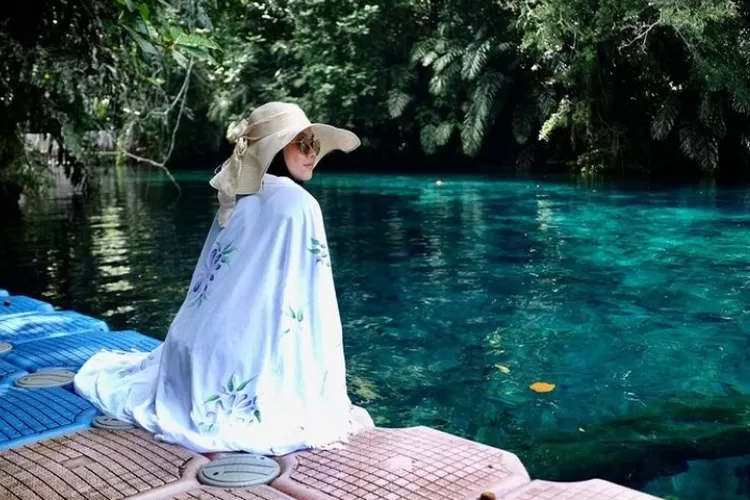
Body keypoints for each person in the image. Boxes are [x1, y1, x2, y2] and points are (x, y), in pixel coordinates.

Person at [74, 101, 373, 455]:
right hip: (245, 357)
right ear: (275, 148)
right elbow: (312, 302)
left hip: (197, 348)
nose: (313, 154)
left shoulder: (237, 198)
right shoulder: (299, 204)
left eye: (315, 144)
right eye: (302, 143)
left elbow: (210, 285)